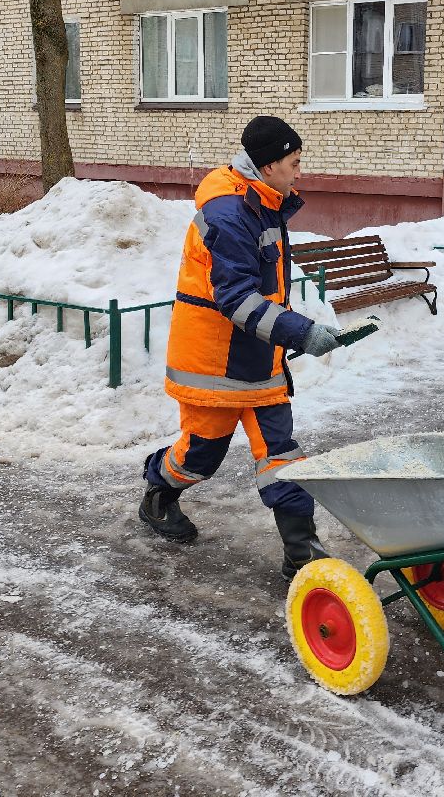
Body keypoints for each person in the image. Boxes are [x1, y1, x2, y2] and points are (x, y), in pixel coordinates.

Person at [139, 115, 345, 580]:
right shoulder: (229, 215)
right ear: (268, 165)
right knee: (200, 456)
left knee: (280, 453)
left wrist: (290, 332)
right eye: (294, 163)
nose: (300, 172)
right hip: (215, 361)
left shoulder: (264, 201)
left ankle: (302, 550)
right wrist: (300, 333)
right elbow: (236, 298)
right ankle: (158, 492)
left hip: (257, 355)